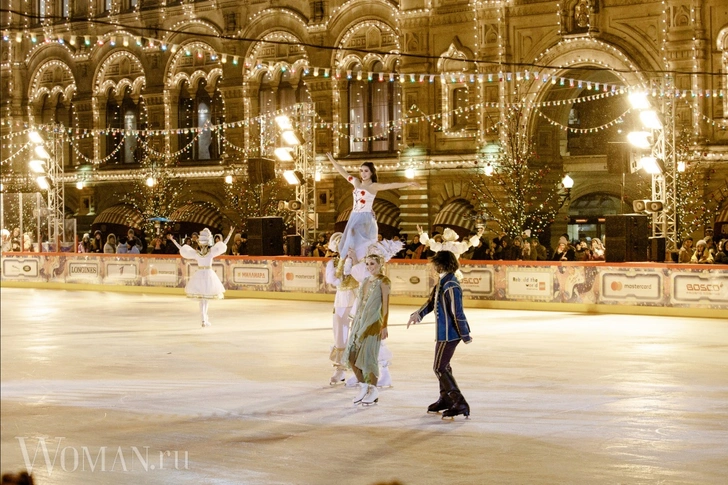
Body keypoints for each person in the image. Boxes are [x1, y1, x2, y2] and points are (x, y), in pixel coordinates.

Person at [407, 250, 473, 419]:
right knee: (443, 366)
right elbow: (431, 302)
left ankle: (459, 403)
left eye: (435, 263)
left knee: (440, 367)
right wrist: (418, 314)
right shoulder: (443, 282)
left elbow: (457, 312)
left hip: (450, 334)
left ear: (441, 264)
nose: (433, 266)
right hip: (443, 333)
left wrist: (464, 334)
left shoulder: (451, 285)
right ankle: (446, 399)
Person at [327, 152, 419, 262]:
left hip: (365, 217)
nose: (363, 173)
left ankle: (359, 258)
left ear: (371, 173)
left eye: (366, 171)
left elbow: (390, 185)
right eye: (361, 171)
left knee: (355, 234)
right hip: (354, 215)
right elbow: (343, 172)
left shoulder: (373, 186)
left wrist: (408, 183)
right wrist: (332, 160)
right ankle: (350, 260)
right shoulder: (356, 182)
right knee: (350, 236)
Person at [344, 249, 393, 406]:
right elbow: (360, 304)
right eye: (367, 264)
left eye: (372, 264)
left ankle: (374, 389)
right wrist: (355, 321)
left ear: (380, 265)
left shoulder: (384, 281)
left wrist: (384, 325)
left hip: (373, 323)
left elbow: (385, 306)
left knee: (368, 358)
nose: (369, 267)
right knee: (352, 355)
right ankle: (363, 386)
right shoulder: (365, 281)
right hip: (359, 322)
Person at [325, 232, 368, 385]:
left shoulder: (358, 260)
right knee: (340, 334)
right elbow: (332, 280)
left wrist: (354, 261)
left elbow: (363, 277)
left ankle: (359, 370)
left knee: (358, 334)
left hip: (356, 298)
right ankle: (340, 369)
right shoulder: (334, 262)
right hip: (342, 299)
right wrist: (341, 266)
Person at [171, 227, 233, 327]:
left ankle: (204, 319)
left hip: (200, 275)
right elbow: (223, 245)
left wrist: (174, 241)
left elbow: (183, 249)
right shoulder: (211, 252)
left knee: (202, 299)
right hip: (208, 274)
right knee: (205, 299)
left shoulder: (197, 253)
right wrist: (229, 234)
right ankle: (204, 319)